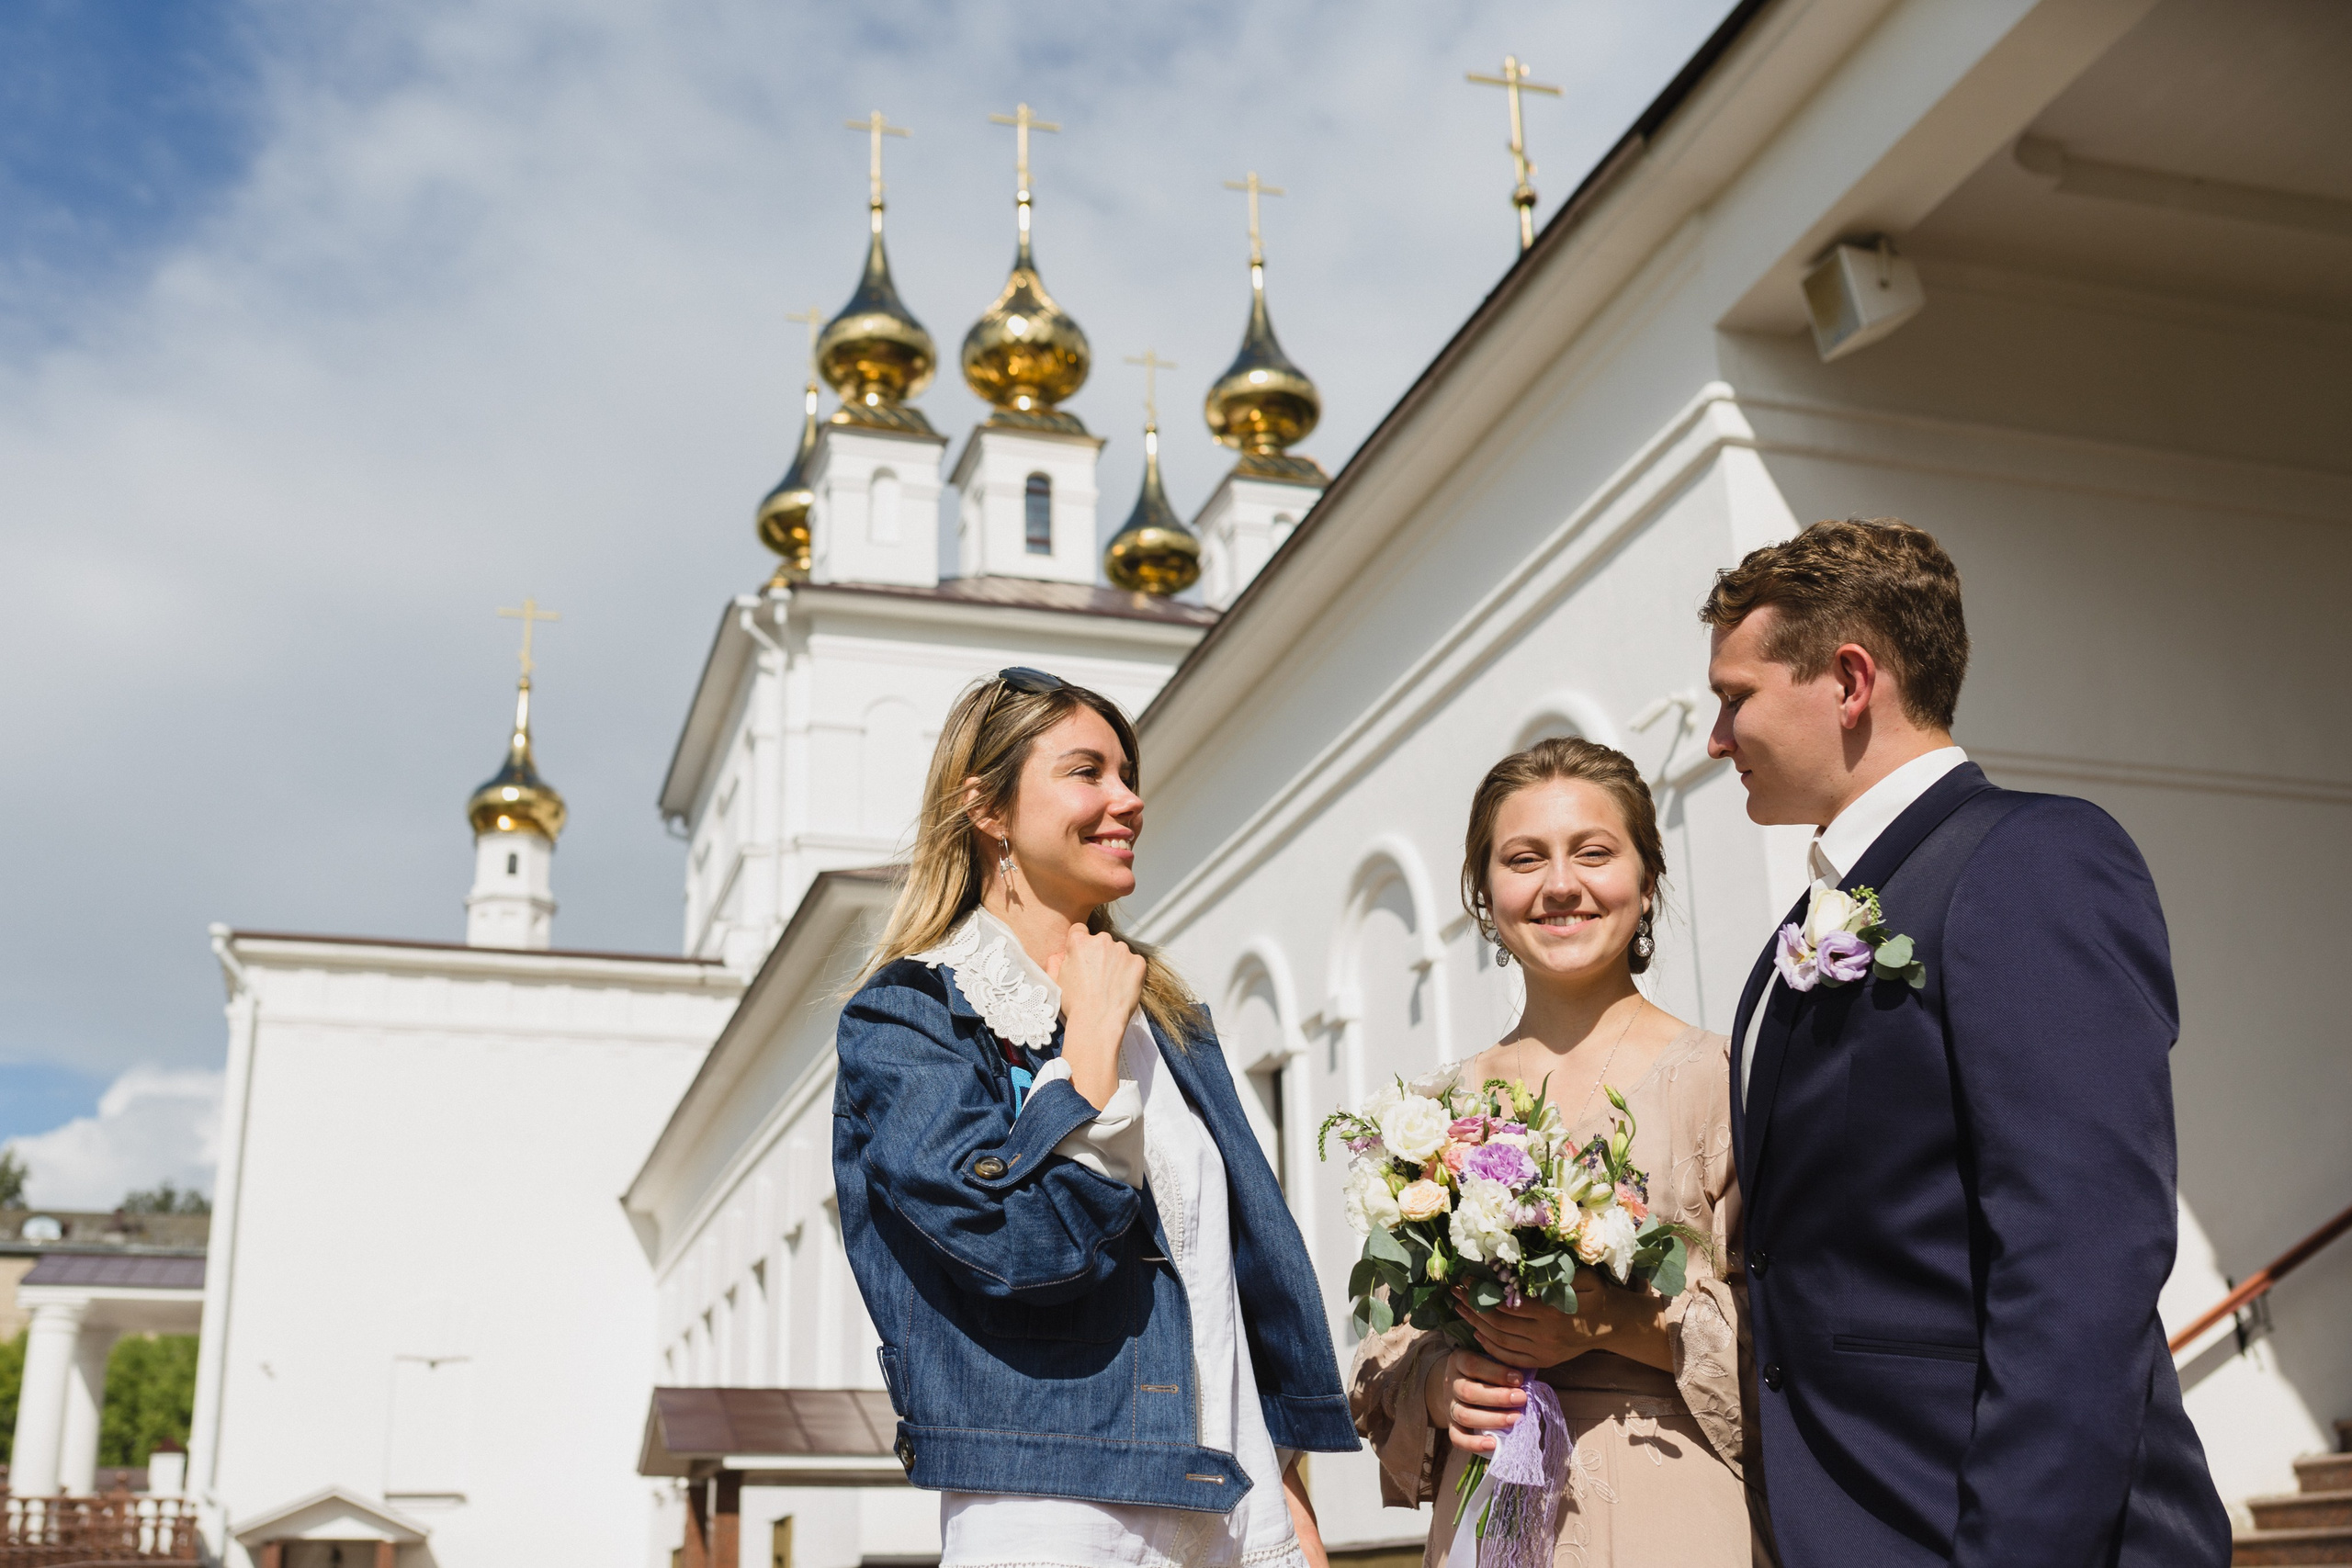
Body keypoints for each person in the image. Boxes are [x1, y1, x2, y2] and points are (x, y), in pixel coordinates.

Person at [1701, 518, 2231, 1567]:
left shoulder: (2030, 861)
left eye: (1735, 697)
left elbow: (2081, 1262)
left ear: (1850, 681)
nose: (1717, 739)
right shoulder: (1822, 915)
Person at [831, 666, 1358, 1568]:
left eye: (1128, 774)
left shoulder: (1167, 1018)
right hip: (1054, 1506)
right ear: (987, 808)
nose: (1128, 799)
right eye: (1087, 772)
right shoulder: (912, 1017)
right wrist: (1088, 1050)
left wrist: (1286, 1475)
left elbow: (1222, 1275)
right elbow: (1019, 1248)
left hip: (1230, 1500)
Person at [1351, 738, 1766, 1568]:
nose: (1561, 884)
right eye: (1524, 858)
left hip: (1670, 1507)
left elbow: (1798, 1340)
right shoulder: (1435, 1113)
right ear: (1484, 891)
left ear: (1647, 878)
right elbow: (1379, 1341)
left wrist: (1618, 1324)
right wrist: (1436, 1384)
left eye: (1594, 852)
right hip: (1488, 1511)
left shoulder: (1723, 1084)